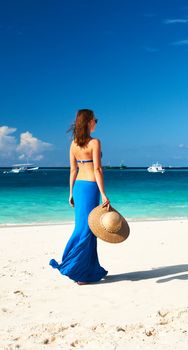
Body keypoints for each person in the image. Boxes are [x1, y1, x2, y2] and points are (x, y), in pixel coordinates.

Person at [49, 109, 110, 285]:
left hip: (78, 187)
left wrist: (70, 192)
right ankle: (76, 269)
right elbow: (98, 169)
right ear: (89, 122)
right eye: (95, 119)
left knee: (86, 227)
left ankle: (90, 270)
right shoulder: (95, 143)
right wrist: (104, 194)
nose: (96, 122)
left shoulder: (74, 144)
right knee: (87, 229)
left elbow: (73, 170)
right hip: (91, 187)